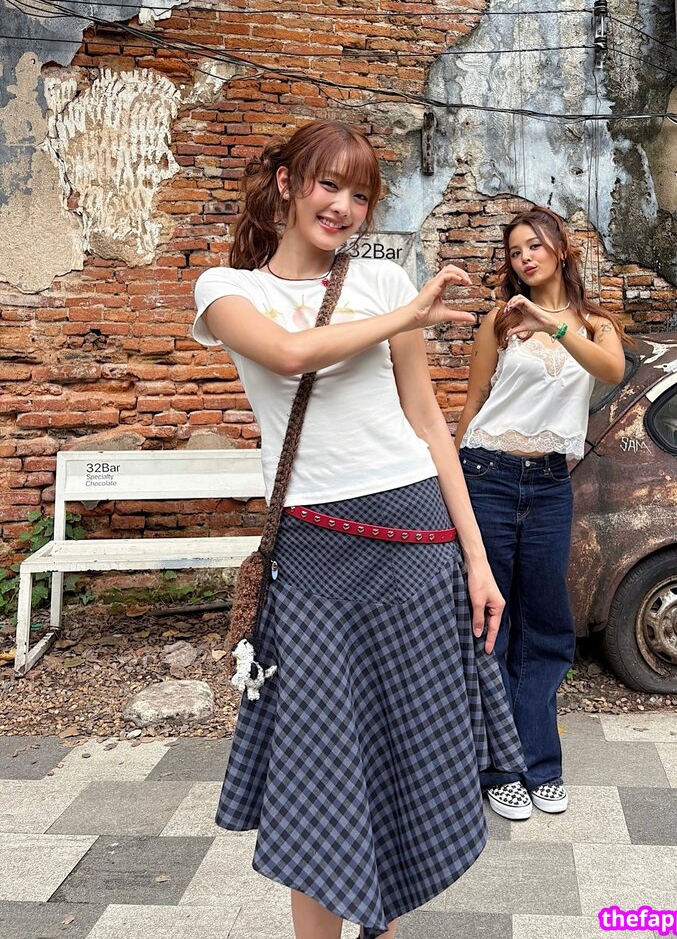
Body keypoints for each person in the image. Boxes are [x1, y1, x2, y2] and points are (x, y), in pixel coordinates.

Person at [191, 120, 524, 939]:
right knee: (318, 779)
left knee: (400, 760)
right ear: (286, 183)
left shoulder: (380, 280)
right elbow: (288, 354)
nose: (342, 206)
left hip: (416, 540)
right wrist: (405, 314)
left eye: (360, 195)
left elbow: (428, 422)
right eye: (328, 184)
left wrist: (478, 562)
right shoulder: (227, 290)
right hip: (314, 553)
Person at [455, 207, 626, 821]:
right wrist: (452, 482)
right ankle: (500, 769)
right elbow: (474, 401)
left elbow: (611, 370)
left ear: (561, 249)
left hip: (551, 484)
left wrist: (551, 325)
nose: (524, 257)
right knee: (491, 622)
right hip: (488, 475)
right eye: (514, 251)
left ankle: (541, 765)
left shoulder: (596, 324)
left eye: (534, 245)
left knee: (546, 626)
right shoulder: (499, 323)